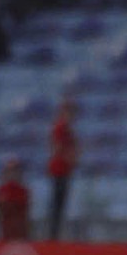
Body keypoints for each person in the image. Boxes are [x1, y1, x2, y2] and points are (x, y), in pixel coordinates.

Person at [48, 99, 78, 240]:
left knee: (60, 204)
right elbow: (57, 148)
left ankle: (56, 234)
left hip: (65, 170)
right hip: (59, 170)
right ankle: (53, 235)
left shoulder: (66, 129)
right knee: (57, 204)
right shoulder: (60, 128)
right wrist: (70, 157)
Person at [0, 158, 30, 241]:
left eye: (14, 171)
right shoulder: (0, 190)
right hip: (6, 233)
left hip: (20, 234)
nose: (12, 174)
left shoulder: (23, 191)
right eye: (9, 171)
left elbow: (22, 210)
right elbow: (1, 210)